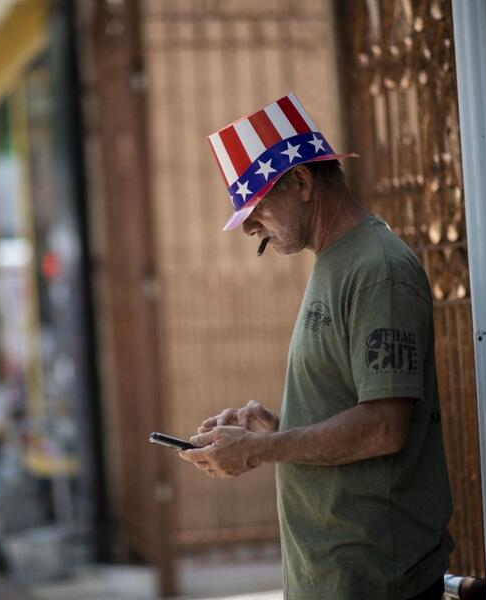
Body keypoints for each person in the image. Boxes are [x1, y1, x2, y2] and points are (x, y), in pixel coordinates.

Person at [179, 92, 453, 600]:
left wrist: (262, 450)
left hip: (374, 581)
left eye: (256, 210)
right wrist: (276, 429)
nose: (252, 230)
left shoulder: (377, 270)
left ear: (302, 181)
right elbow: (353, 416)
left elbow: (385, 427)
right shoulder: (334, 260)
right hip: (331, 579)